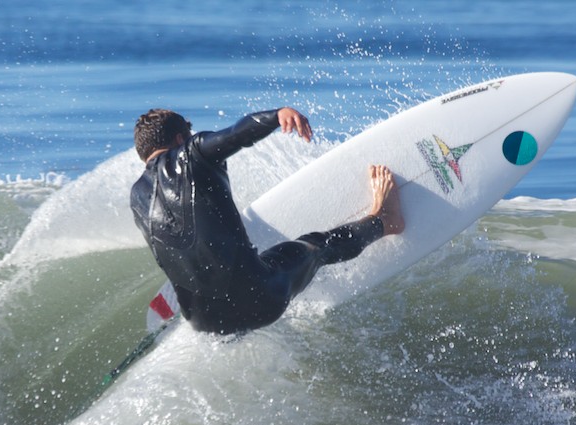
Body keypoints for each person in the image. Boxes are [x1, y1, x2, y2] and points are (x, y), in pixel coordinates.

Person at [130, 107, 404, 335]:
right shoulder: (190, 153)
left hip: (207, 325)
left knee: (247, 271)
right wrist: (276, 116)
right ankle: (385, 221)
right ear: (181, 138)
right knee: (317, 246)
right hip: (261, 300)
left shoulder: (137, 198)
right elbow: (236, 134)